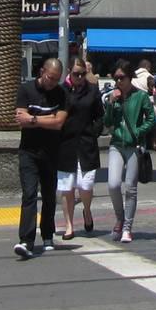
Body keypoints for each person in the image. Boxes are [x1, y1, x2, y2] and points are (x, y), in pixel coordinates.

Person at [14, 58, 67, 258]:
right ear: (42, 71)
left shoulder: (61, 93)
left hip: (51, 151)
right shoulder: (26, 90)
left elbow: (59, 122)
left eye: (56, 79)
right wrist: (47, 120)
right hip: (28, 150)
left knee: (48, 195)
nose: (52, 82)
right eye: (50, 77)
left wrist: (34, 119)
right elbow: (21, 118)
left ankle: (47, 234)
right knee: (29, 194)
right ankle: (26, 240)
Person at [102, 61, 155, 244]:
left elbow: (151, 118)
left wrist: (138, 131)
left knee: (131, 188)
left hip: (133, 146)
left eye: (122, 78)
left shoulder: (140, 96)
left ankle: (127, 228)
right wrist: (110, 104)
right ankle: (119, 217)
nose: (118, 81)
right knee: (113, 184)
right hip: (116, 143)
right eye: (116, 78)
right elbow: (107, 123)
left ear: (129, 77)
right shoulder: (113, 97)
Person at [57, 59, 103, 239]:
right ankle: (69, 225)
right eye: (76, 74)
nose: (79, 77)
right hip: (65, 144)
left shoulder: (92, 90)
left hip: (86, 143)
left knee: (86, 185)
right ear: (69, 72)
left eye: (82, 74)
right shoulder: (61, 91)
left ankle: (87, 210)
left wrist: (94, 132)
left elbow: (100, 116)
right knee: (67, 188)